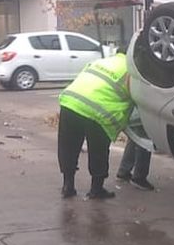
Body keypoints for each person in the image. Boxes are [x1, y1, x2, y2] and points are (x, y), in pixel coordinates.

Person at [57, 46, 133, 199]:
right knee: (98, 149)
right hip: (98, 111)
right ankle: (96, 189)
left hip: (71, 102)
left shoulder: (100, 62)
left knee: (68, 147)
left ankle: (68, 185)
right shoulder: (132, 71)